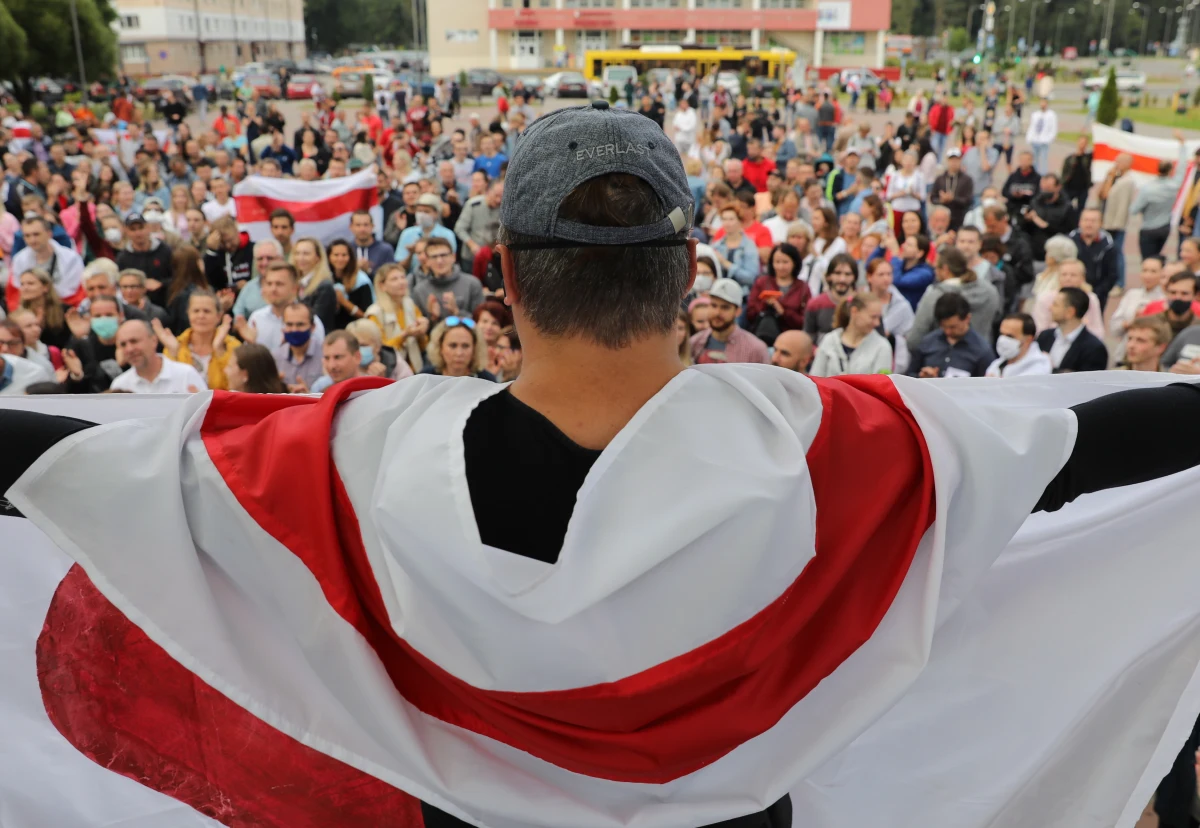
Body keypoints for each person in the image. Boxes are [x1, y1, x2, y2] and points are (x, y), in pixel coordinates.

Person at [907, 247, 1000, 351]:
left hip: (942, 359)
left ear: (945, 269)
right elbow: (997, 316)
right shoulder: (991, 291)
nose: (935, 271)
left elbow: (915, 339)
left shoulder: (935, 295)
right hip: (981, 356)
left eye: (936, 267)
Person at [151, 290, 240, 391]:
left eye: (207, 311)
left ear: (218, 316)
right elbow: (167, 388)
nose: (201, 316)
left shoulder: (233, 346)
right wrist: (172, 352)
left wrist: (219, 350)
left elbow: (236, 388)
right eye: (196, 311)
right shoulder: (176, 345)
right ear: (188, 314)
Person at [908, 292, 995, 378]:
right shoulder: (928, 342)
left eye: (953, 327)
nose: (947, 332)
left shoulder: (982, 351)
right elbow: (909, 376)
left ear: (967, 318)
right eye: (943, 326)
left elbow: (985, 386)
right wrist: (922, 377)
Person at [109, 318, 207, 393]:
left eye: (134, 341)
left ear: (154, 340)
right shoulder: (120, 385)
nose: (129, 349)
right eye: (123, 344)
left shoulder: (186, 375)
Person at [1131, 131, 1188, 260]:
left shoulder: (1148, 189)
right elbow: (1182, 169)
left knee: (1147, 260)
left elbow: (1134, 210)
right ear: (1170, 171)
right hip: (1164, 227)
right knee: (1156, 258)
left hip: (1148, 228)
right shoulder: (1174, 186)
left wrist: (1145, 209)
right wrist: (1182, 145)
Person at [8, 215, 85, 308]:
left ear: (49, 234)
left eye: (36, 234)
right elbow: (17, 292)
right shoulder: (19, 259)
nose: (32, 240)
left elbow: (74, 293)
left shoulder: (71, 258)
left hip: (62, 307)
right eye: (27, 236)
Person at [809, 291, 893, 377]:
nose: (877, 323)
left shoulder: (882, 346)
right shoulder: (829, 340)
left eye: (879, 318)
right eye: (873, 317)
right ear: (854, 311)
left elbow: (881, 385)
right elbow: (815, 378)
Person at [689, 277, 768, 364]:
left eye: (725, 307)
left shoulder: (756, 349)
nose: (717, 313)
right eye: (713, 305)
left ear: (738, 311)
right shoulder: (694, 343)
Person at [745, 243, 810, 346]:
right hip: (761, 336)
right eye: (777, 262)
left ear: (794, 263)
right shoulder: (762, 282)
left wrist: (783, 312)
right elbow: (750, 313)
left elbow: (806, 321)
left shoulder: (803, 288)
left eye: (785, 262)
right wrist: (765, 305)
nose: (781, 266)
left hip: (790, 340)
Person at [411, 236, 484, 323]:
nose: (439, 261)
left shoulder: (472, 284)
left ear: (453, 257)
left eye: (443, 255)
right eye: (434, 257)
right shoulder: (419, 291)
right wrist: (433, 318)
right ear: (427, 261)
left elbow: (481, 324)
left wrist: (457, 312)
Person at [1036, 286, 1108, 373]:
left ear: (1070, 312)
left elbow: (1086, 382)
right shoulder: (1045, 336)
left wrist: (1050, 369)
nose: (1050, 308)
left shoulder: (1094, 348)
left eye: (1055, 305)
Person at [1096, 151, 1136, 288]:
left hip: (1116, 224)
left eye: (1119, 161)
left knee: (1117, 252)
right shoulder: (1115, 178)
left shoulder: (1128, 182)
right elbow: (1102, 195)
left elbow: (1123, 205)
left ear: (1127, 164)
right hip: (1106, 221)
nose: (1116, 164)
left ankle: (1120, 283)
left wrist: (1118, 224)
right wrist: (1109, 177)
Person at [1069, 208, 1119, 311]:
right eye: (1086, 220)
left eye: (1093, 221)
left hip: (1097, 296)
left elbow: (1112, 274)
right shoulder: (1069, 242)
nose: (1089, 224)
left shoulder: (1108, 246)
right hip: (1071, 294)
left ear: (1101, 223)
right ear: (1080, 222)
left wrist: (1097, 293)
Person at [269, 301, 325, 393]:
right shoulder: (275, 357)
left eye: (300, 325)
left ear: (312, 327)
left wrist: (309, 395)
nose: (294, 330)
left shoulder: (326, 355)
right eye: (289, 324)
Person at [803, 253, 858, 343]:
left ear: (854, 277)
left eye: (847, 274)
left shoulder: (863, 304)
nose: (842, 279)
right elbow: (808, 338)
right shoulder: (815, 304)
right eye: (837, 273)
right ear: (828, 276)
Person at [1020, 174, 1072, 264]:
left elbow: (1069, 230)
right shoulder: (1034, 203)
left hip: (1056, 255)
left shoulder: (1067, 207)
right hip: (1035, 253)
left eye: (1048, 188)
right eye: (1043, 188)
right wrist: (1026, 220)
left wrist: (1044, 225)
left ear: (1058, 187)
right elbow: (1025, 229)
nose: (1045, 191)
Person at [421, 317, 495, 380]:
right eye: (453, 345)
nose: (459, 353)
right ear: (440, 347)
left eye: (465, 346)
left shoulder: (487, 381)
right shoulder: (425, 378)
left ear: (474, 348)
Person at [289, 237, 338, 332]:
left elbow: (317, 320)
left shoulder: (324, 286)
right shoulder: (295, 283)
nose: (300, 258)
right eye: (297, 253)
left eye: (306, 254)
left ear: (318, 257)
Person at [985, 312, 1052, 377]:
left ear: (1028, 339)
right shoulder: (997, 364)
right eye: (1001, 334)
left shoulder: (1040, 367)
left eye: (1010, 336)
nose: (1003, 340)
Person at [887, 233, 935, 310]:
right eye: (905, 243)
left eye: (909, 245)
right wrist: (881, 247)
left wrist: (895, 255)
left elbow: (896, 281)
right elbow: (870, 269)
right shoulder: (900, 264)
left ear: (920, 253)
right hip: (892, 309)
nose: (903, 246)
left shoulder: (925, 273)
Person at [930, 148, 973, 230]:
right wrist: (941, 200)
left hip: (959, 217)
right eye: (952, 160)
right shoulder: (940, 179)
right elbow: (933, 198)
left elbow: (968, 200)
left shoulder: (967, 179)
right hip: (942, 219)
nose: (954, 163)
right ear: (948, 161)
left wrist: (953, 199)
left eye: (956, 160)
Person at [349, 210, 394, 277]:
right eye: (358, 225)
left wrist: (369, 271)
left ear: (372, 226)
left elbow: (391, 276)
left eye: (366, 225)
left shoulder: (385, 250)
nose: (362, 229)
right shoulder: (346, 250)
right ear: (351, 227)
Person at [1025, 98, 1057, 175]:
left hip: (1044, 141)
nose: (1042, 104)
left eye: (1044, 103)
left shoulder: (1051, 115)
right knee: (1034, 159)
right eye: (1041, 103)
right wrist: (1029, 137)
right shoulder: (1035, 114)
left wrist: (1050, 138)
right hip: (1035, 140)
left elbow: (1053, 127)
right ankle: (1034, 174)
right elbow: (1032, 126)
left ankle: (1043, 175)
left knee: (1043, 159)